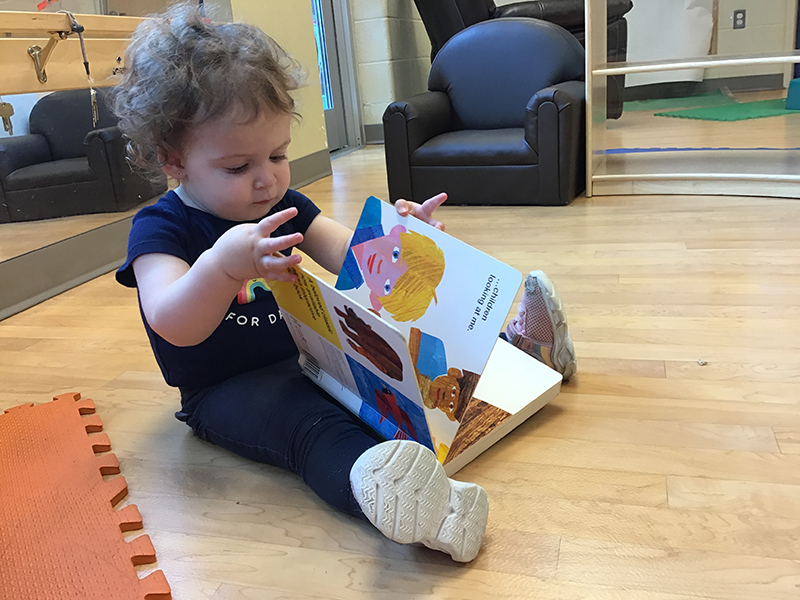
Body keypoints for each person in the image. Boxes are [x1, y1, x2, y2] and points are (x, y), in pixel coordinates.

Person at [112, 3, 574, 564]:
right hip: (231, 388)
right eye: (238, 167)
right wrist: (223, 265)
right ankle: (418, 506)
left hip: (317, 355)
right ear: (173, 158)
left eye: (278, 155)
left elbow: (352, 257)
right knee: (312, 428)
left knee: (410, 375)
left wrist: (401, 241)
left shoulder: (283, 204)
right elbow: (172, 323)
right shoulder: (161, 227)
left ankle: (525, 355)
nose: (267, 180)